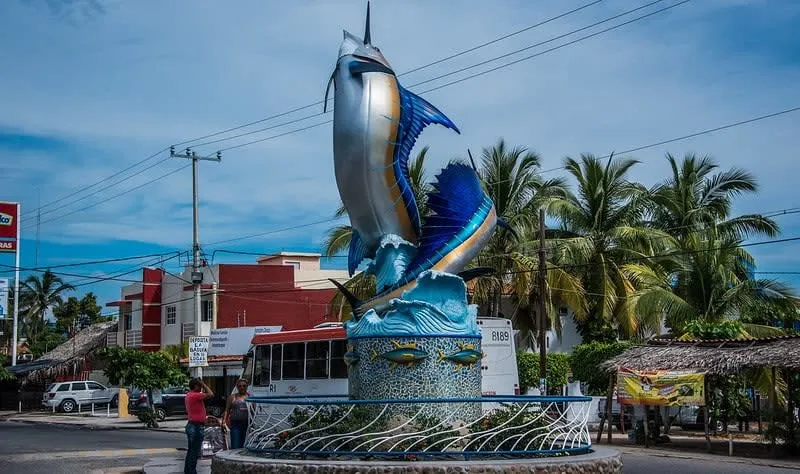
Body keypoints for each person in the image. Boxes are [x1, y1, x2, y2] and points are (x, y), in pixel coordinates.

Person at [184, 378, 213, 474]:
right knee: (194, 453)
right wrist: (204, 384)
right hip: (196, 427)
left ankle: (188, 471)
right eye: (199, 385)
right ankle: (192, 472)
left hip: (192, 425)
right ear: (195, 386)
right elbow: (211, 394)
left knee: (191, 451)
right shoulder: (195, 395)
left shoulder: (189, 395)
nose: (201, 387)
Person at [223, 378, 251, 449]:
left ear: (247, 386)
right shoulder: (232, 397)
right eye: (240, 386)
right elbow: (227, 410)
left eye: (244, 386)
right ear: (237, 387)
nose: (242, 387)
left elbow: (254, 411)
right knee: (235, 445)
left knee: (244, 446)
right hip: (235, 424)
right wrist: (224, 422)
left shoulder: (251, 397)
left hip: (247, 424)